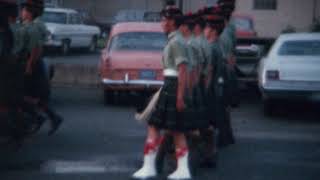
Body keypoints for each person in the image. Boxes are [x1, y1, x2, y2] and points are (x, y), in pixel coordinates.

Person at [132, 4, 194, 180]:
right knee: (174, 129)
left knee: (162, 127)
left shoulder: (176, 42)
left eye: (164, 20)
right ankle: (177, 169)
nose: (161, 23)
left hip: (173, 86)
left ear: (172, 22)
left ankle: (153, 167)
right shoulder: (175, 40)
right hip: (170, 84)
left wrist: (181, 96)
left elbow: (183, 69)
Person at [20, 0, 63, 135]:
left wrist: (29, 64)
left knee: (26, 95)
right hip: (33, 63)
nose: (22, 13)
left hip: (32, 64)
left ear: (30, 12)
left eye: (24, 10)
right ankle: (48, 118)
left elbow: (36, 48)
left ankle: (40, 118)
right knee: (35, 97)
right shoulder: (33, 24)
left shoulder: (36, 25)